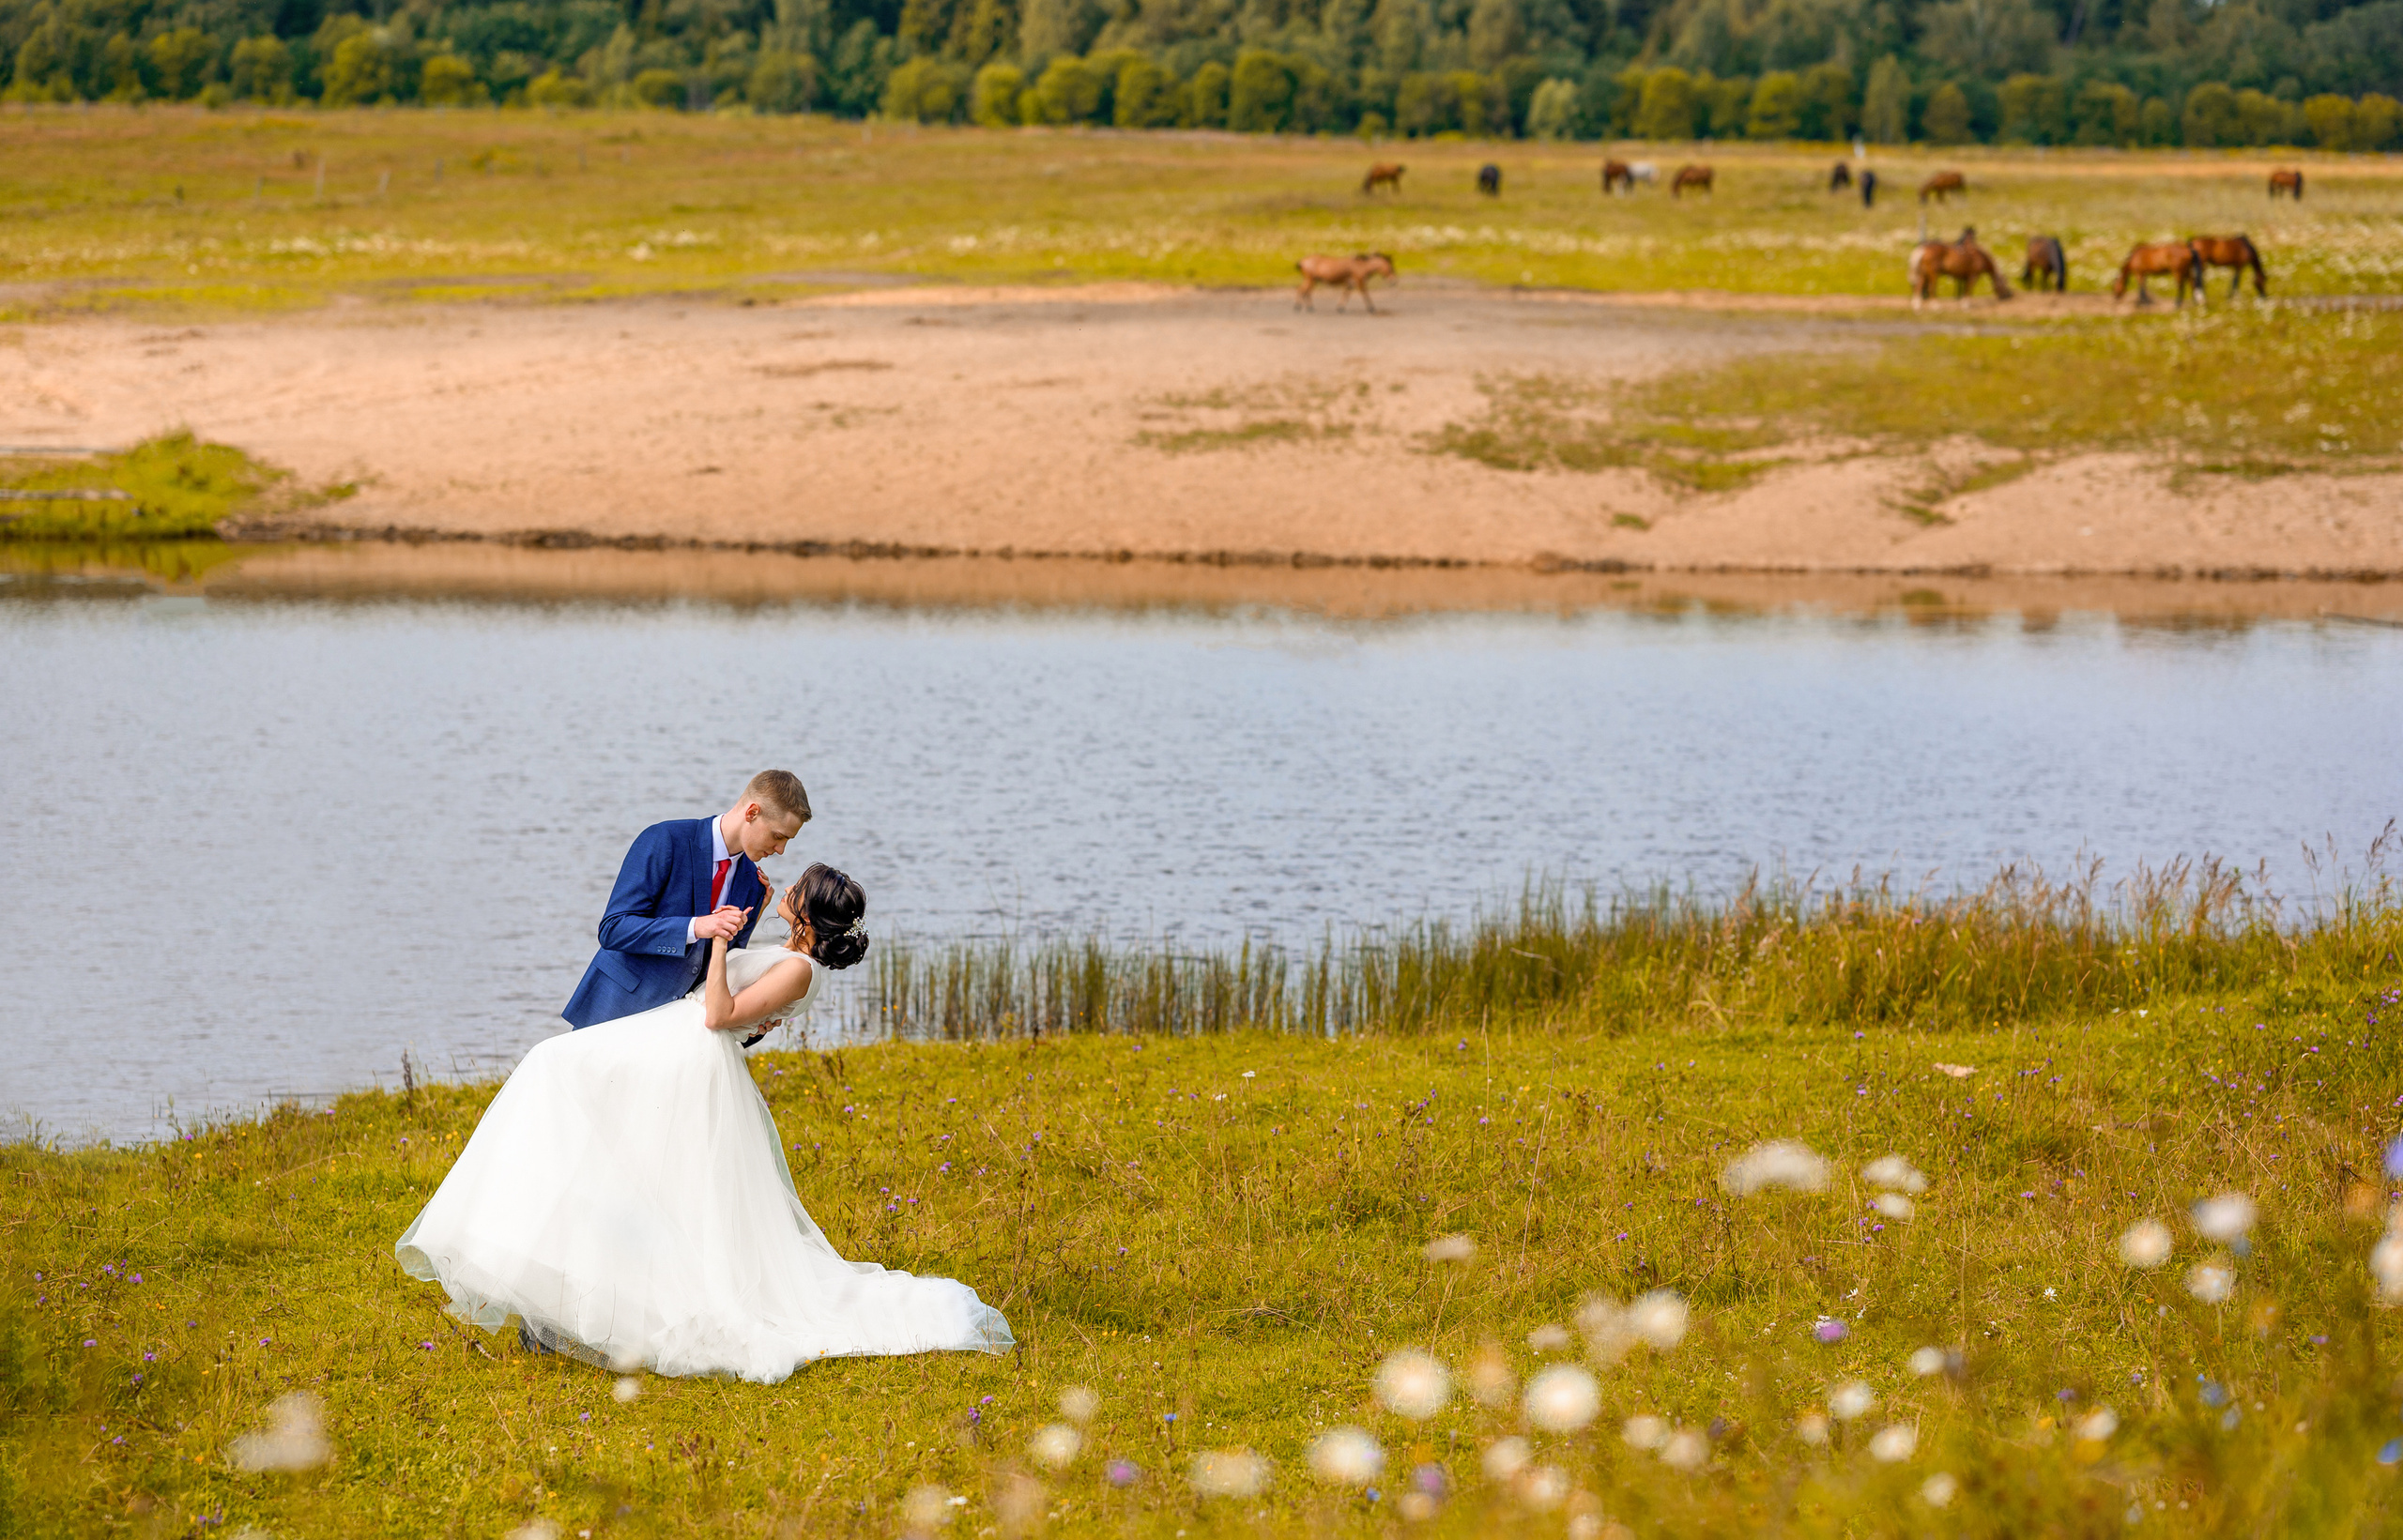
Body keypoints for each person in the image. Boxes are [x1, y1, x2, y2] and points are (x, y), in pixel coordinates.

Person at [396, 864, 1015, 1380]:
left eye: (797, 887)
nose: (789, 884)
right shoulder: (794, 955)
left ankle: (560, 1295)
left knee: (553, 1068)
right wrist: (754, 912)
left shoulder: (803, 971)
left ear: (808, 915)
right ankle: (552, 1290)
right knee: (586, 1122)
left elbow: (721, 1012)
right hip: (675, 1043)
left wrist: (719, 940)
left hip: (689, 1052)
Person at [562, 771, 808, 1031]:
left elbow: (722, 967)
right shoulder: (666, 839)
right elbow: (613, 929)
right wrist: (695, 927)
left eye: (787, 841)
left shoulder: (755, 886)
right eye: (778, 836)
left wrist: (750, 1021)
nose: (780, 850)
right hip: (614, 1012)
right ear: (752, 813)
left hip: (678, 1033)